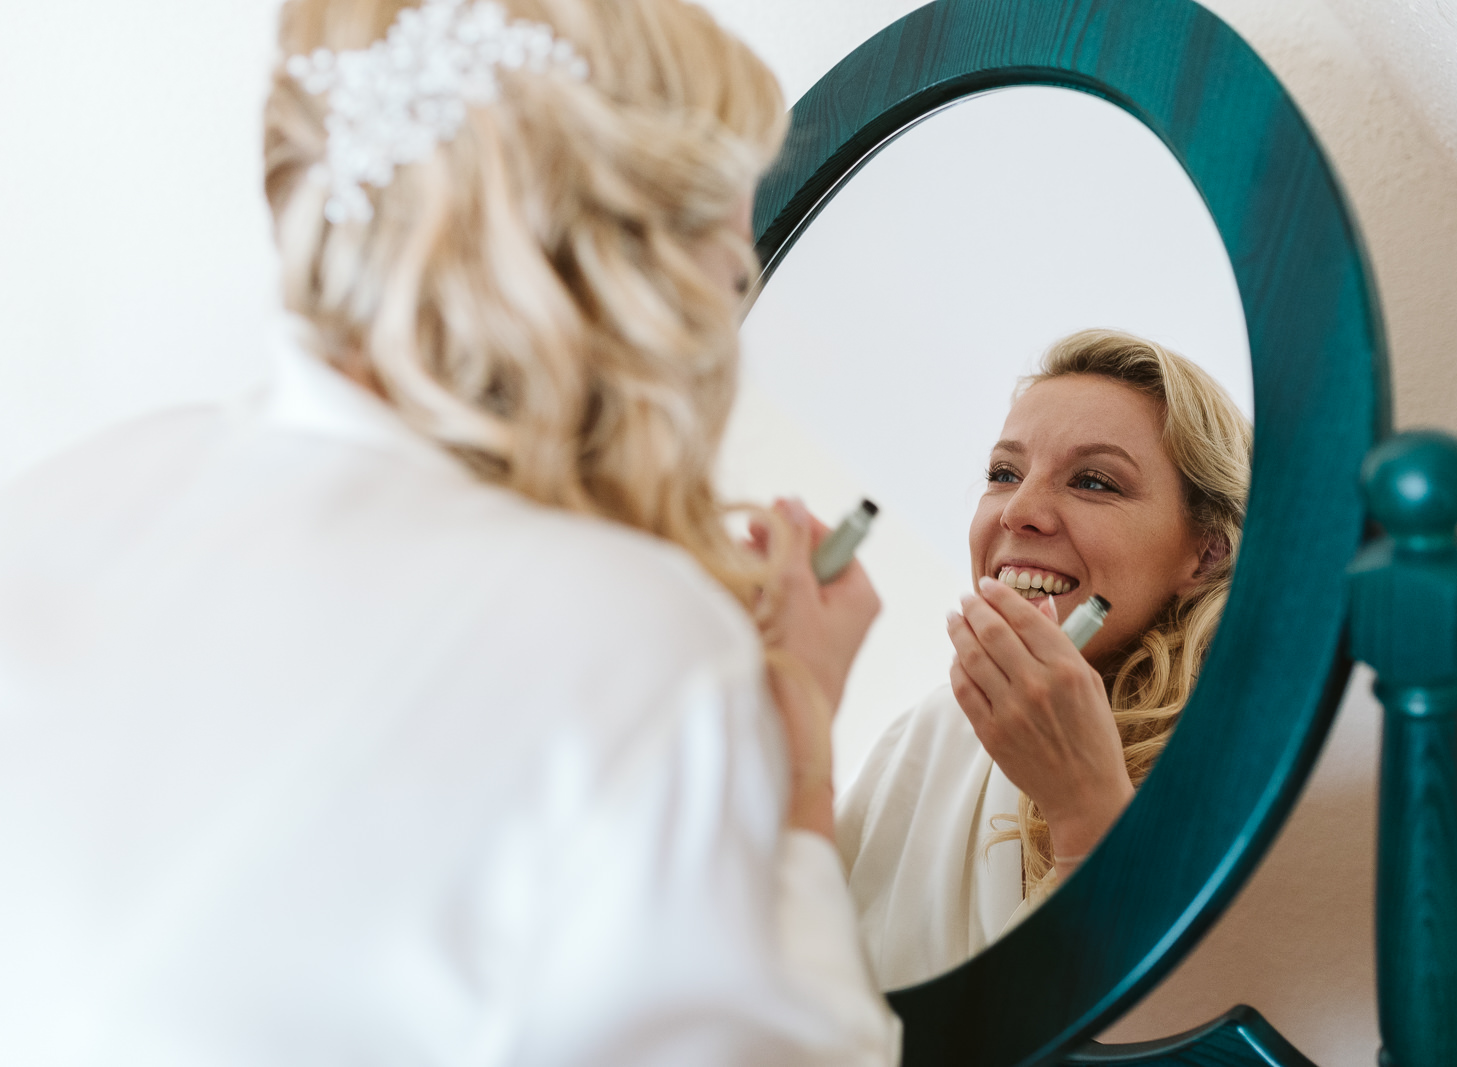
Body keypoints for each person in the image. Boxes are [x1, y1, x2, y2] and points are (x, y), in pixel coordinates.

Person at [0, 1, 898, 1062]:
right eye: (726, 255)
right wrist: (796, 756)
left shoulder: (89, 481)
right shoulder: (637, 640)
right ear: (637, 272)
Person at [836, 329, 1252, 990]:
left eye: (1093, 481)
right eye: (1004, 472)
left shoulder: (1244, 767)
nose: (1020, 511)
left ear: (1205, 554)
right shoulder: (932, 731)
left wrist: (1086, 807)